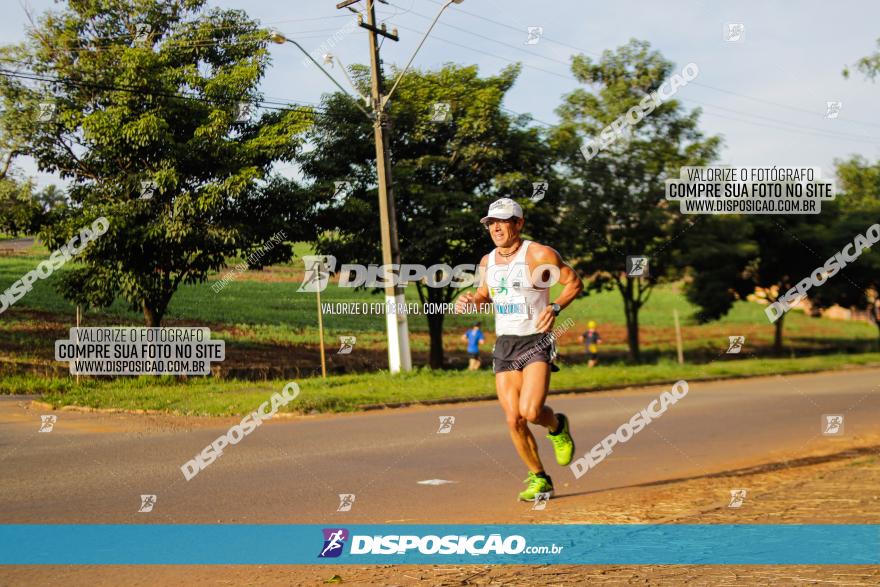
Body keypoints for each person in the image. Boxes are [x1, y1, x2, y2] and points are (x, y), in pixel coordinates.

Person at [455, 197, 583, 501]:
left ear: (519, 223)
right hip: (506, 343)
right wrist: (471, 299)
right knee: (514, 418)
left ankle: (557, 425)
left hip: (536, 340)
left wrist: (555, 306)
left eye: (503, 221)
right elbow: (485, 294)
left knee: (531, 410)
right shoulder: (488, 262)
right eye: (491, 223)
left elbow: (574, 283)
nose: (496, 228)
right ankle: (540, 478)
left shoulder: (538, 255)